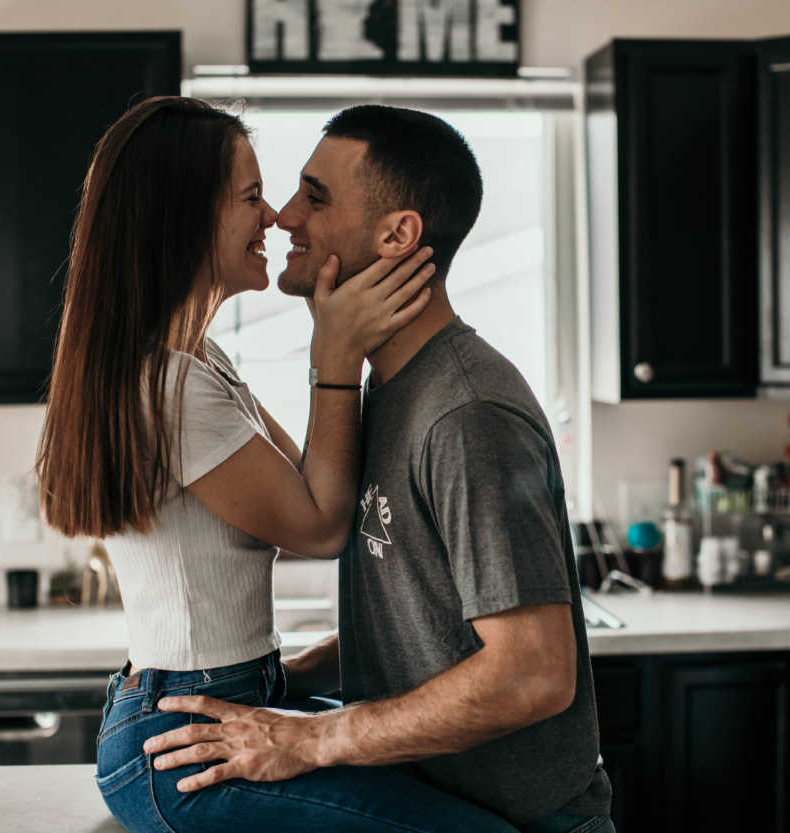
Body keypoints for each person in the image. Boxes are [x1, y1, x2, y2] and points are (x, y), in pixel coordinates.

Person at [35, 96, 523, 833]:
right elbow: (321, 524)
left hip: (220, 699)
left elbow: (315, 485)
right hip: (187, 734)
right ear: (184, 215)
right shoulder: (169, 385)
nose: (275, 218)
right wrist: (335, 359)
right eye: (252, 197)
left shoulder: (199, 363)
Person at [143, 105, 616, 833]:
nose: (285, 216)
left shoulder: (466, 411)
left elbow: (532, 672)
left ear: (397, 235)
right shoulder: (391, 388)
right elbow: (423, 625)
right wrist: (286, 684)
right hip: (434, 803)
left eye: (315, 196)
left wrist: (310, 735)